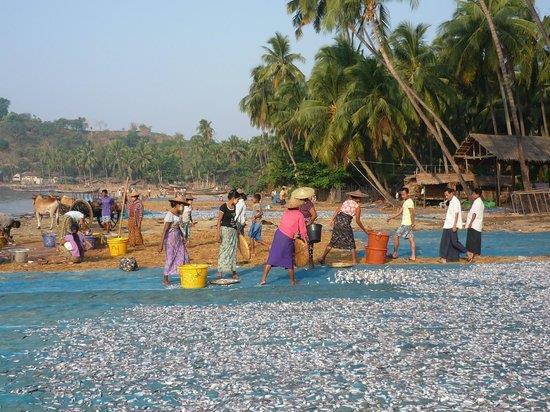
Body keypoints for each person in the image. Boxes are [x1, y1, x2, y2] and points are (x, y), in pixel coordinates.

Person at [260, 197, 308, 286]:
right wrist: (305, 241)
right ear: (298, 206)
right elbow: (302, 230)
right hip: (287, 238)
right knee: (288, 260)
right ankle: (293, 281)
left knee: (272, 258)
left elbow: (287, 224)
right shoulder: (299, 215)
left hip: (278, 234)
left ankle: (263, 279)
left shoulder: (286, 213)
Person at [319, 190, 369, 266]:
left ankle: (322, 258)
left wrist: (332, 220)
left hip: (338, 221)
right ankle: (354, 261)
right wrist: (365, 230)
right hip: (345, 222)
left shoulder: (346, 202)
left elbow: (337, 210)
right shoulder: (357, 207)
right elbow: (358, 221)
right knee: (351, 241)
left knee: (333, 240)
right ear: (359, 199)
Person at [158, 195, 190, 286]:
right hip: (170, 238)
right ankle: (165, 277)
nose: (182, 206)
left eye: (183, 205)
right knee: (170, 257)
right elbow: (165, 230)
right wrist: (161, 244)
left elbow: (178, 227)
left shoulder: (178, 214)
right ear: (176, 204)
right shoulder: (170, 214)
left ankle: (183, 274)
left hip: (178, 237)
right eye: (181, 204)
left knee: (184, 256)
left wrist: (183, 236)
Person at [386, 187, 416, 261]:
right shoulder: (405, 202)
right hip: (407, 224)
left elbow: (412, 213)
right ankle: (413, 256)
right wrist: (391, 217)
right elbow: (400, 212)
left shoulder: (409, 202)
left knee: (396, 236)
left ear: (408, 194)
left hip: (406, 224)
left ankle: (395, 254)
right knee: (411, 239)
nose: (402, 196)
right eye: (402, 195)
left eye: (404, 194)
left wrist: (412, 223)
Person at [439, 187, 467, 263]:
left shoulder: (455, 201)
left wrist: (455, 225)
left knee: (450, 242)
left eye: (447, 195)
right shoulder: (451, 201)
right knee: (451, 242)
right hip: (448, 224)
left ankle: (467, 252)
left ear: (451, 193)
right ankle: (453, 258)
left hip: (451, 225)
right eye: (445, 195)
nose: (446, 197)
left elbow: (457, 214)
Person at [217, 190, 240, 280]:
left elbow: (234, 220)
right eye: (237, 199)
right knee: (224, 250)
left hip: (233, 231)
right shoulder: (223, 207)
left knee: (233, 251)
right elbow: (219, 220)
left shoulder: (234, 207)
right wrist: (218, 234)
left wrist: (237, 230)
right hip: (225, 231)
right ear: (233, 198)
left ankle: (233, 271)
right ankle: (220, 271)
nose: (238, 201)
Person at [292, 187, 318, 268]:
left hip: (306, 225)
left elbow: (314, 215)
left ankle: (310, 261)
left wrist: (308, 223)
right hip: (297, 225)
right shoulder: (296, 203)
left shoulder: (308, 204)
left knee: (309, 243)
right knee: (296, 243)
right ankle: (296, 261)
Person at [465, 188, 485, 262]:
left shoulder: (477, 202)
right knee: (476, 240)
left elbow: (474, 214)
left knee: (471, 240)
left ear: (477, 194)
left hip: (474, 224)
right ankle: (474, 255)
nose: (472, 195)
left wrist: (470, 223)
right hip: (477, 224)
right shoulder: (480, 202)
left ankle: (470, 256)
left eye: (473, 194)